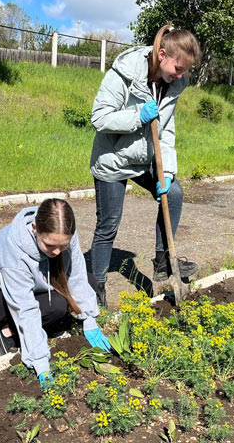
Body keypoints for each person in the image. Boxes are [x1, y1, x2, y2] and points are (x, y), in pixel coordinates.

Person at [89, 24, 202, 305]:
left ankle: (164, 262)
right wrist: (137, 116)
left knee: (173, 193)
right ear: (161, 54)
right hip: (113, 159)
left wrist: (169, 171)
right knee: (108, 225)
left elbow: (167, 129)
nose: (181, 75)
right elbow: (99, 118)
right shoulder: (125, 72)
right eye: (178, 68)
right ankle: (96, 286)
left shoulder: (172, 84)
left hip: (145, 158)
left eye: (185, 70)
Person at [0, 198, 111, 389]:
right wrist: (40, 361)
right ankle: (5, 333)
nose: (56, 251)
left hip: (35, 283)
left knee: (91, 282)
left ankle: (45, 325)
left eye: (62, 246)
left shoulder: (63, 231)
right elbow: (25, 309)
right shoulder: (14, 253)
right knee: (58, 306)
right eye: (49, 245)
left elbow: (76, 273)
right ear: (35, 228)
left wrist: (88, 318)